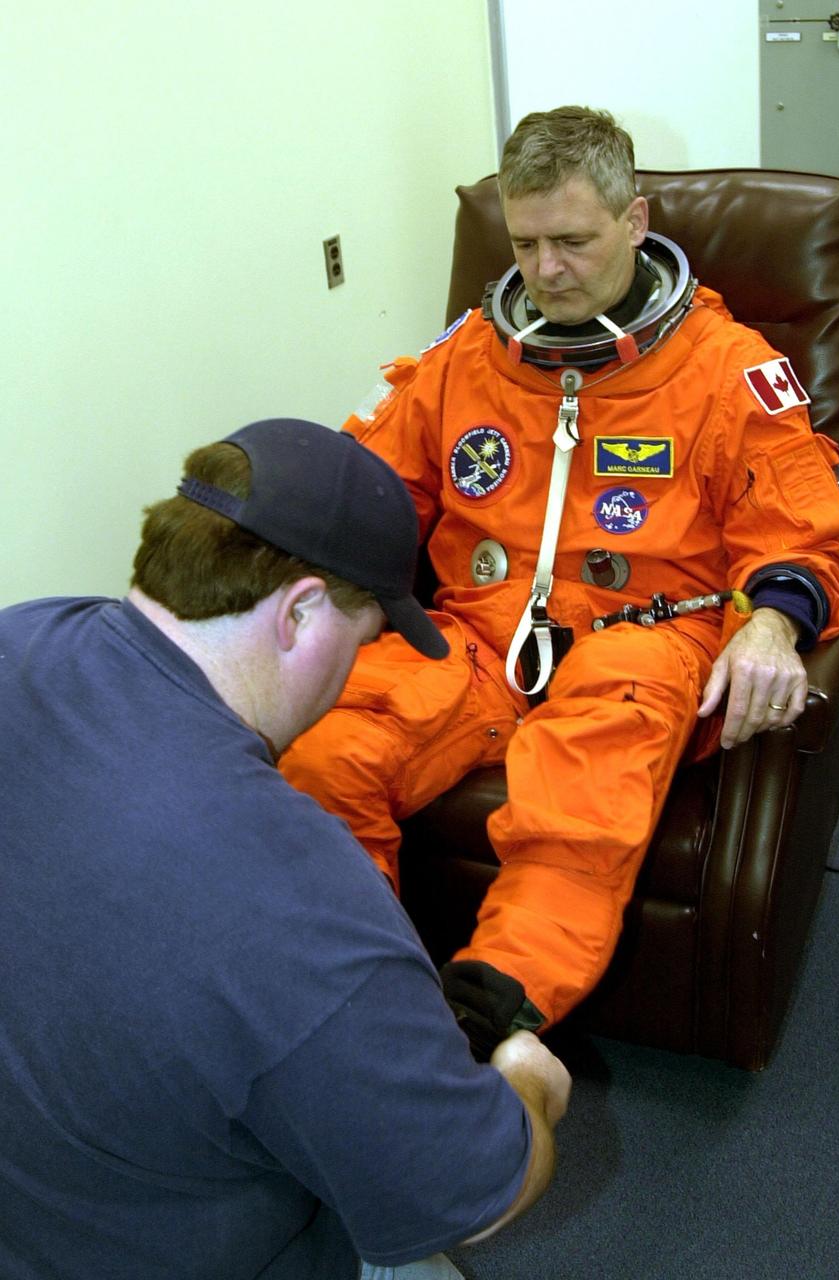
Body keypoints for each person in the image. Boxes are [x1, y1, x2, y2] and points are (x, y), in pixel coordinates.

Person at [279, 106, 839, 1061]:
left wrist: (771, 624)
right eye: (524, 244)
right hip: (477, 634)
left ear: (634, 222)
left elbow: (803, 524)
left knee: (586, 778)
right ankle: (354, 991)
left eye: (572, 242)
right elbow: (367, 491)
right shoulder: (464, 357)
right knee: (326, 752)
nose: (544, 270)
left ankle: (495, 1003)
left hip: (645, 636)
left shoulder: (726, 369)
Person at [0, 418, 571, 1280]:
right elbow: (478, 1194)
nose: (350, 676)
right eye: (365, 638)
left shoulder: (22, 632)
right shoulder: (294, 890)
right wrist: (525, 1083)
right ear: (300, 611)